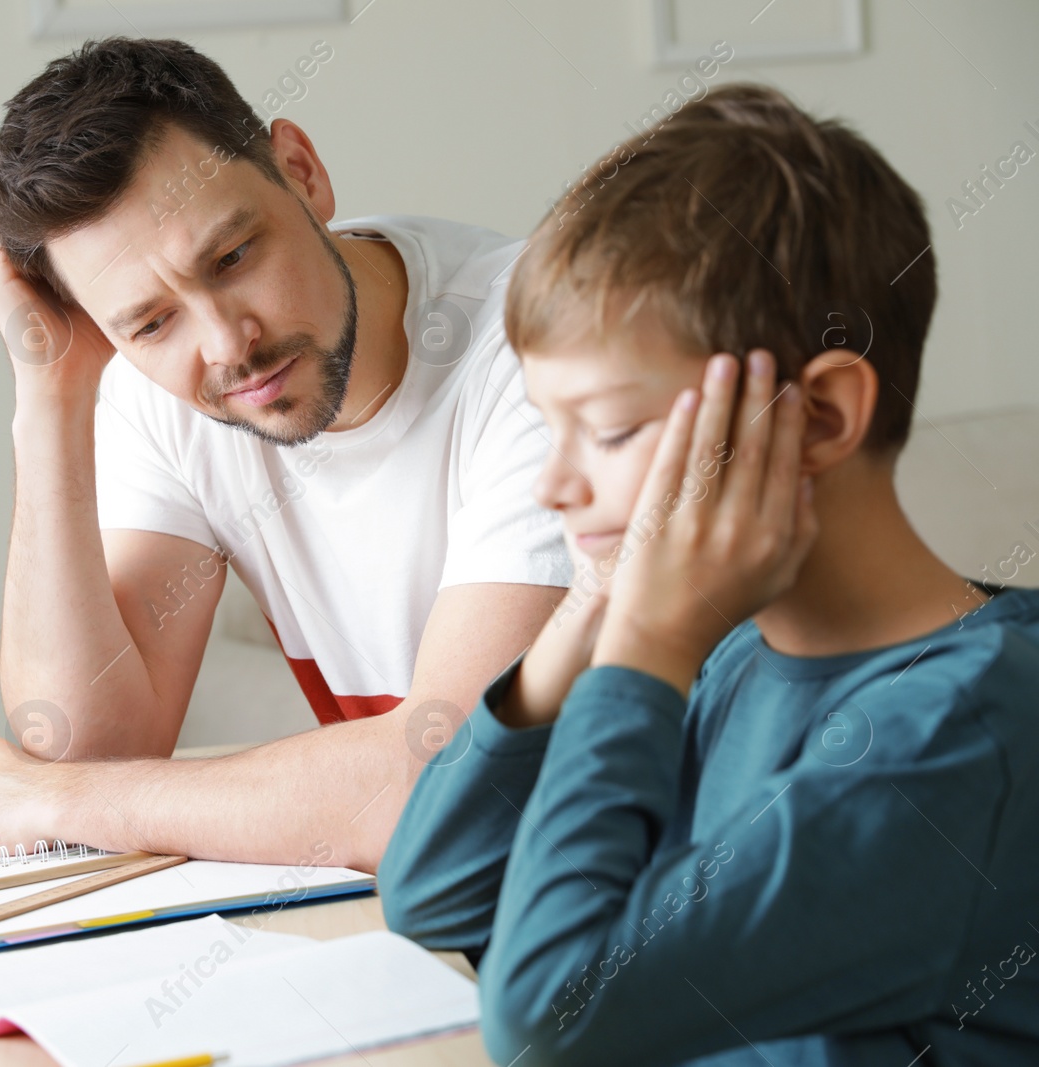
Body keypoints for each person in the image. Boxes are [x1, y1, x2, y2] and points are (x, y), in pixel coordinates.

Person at [378, 84, 1039, 1065]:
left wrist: (644, 645)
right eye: (543, 426)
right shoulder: (727, 656)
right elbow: (430, 889)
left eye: (606, 430)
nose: (552, 484)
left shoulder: (964, 730)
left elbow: (547, 1016)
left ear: (817, 419)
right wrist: (593, 620)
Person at [0, 37, 571, 871]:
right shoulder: (158, 398)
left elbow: (453, 786)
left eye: (232, 257)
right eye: (148, 322)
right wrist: (51, 398)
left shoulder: (549, 346)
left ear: (302, 170)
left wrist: (47, 801)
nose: (227, 344)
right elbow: (90, 745)